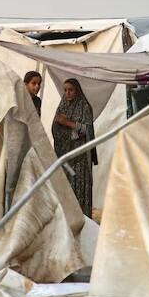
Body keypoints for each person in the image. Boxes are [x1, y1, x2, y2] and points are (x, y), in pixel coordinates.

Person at [52, 78, 98, 216]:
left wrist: (68, 123)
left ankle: (83, 218)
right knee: (66, 186)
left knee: (80, 187)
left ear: (77, 90)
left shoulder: (84, 106)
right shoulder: (62, 105)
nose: (67, 93)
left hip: (80, 157)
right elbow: (55, 128)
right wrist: (67, 129)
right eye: (65, 90)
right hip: (65, 157)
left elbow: (87, 130)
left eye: (70, 90)